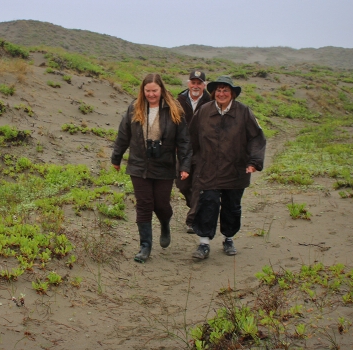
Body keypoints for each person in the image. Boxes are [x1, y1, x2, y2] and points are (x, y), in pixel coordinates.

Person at [111, 73, 191, 263]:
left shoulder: (174, 109)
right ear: (143, 90)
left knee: (161, 204)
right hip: (139, 164)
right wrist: (116, 157)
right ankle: (145, 246)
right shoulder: (134, 107)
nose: (151, 94)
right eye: (147, 91)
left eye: (154, 90)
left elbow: (184, 140)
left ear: (161, 89)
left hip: (164, 165)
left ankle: (165, 223)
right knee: (144, 204)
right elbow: (123, 133)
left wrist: (185, 165)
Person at [189, 76, 266, 260]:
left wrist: (254, 162)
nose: (221, 94)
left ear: (232, 93)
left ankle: (228, 238)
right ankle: (204, 243)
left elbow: (257, 138)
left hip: (235, 169)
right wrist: (190, 163)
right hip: (208, 169)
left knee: (232, 206)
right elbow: (191, 138)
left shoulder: (244, 112)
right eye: (218, 90)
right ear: (213, 92)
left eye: (226, 90)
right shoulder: (203, 111)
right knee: (208, 203)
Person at [176, 70, 211, 234]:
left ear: (204, 85)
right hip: (182, 149)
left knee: (198, 184)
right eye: (193, 82)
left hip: (202, 150)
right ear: (188, 83)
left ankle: (192, 220)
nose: (196, 85)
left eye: (199, 83)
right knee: (182, 184)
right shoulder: (179, 101)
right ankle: (196, 206)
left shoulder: (211, 101)